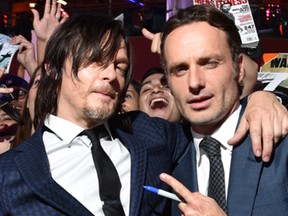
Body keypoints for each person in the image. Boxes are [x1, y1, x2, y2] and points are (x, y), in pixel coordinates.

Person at [0, 7, 287, 216]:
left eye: (121, 67)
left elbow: (219, 112)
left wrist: (265, 98)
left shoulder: (148, 133)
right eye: (95, 61)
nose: (111, 76)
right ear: (52, 70)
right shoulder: (9, 173)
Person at [157, 4, 288, 215]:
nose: (194, 82)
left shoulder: (281, 142)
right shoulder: (163, 157)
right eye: (180, 69)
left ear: (239, 68)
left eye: (209, 63)